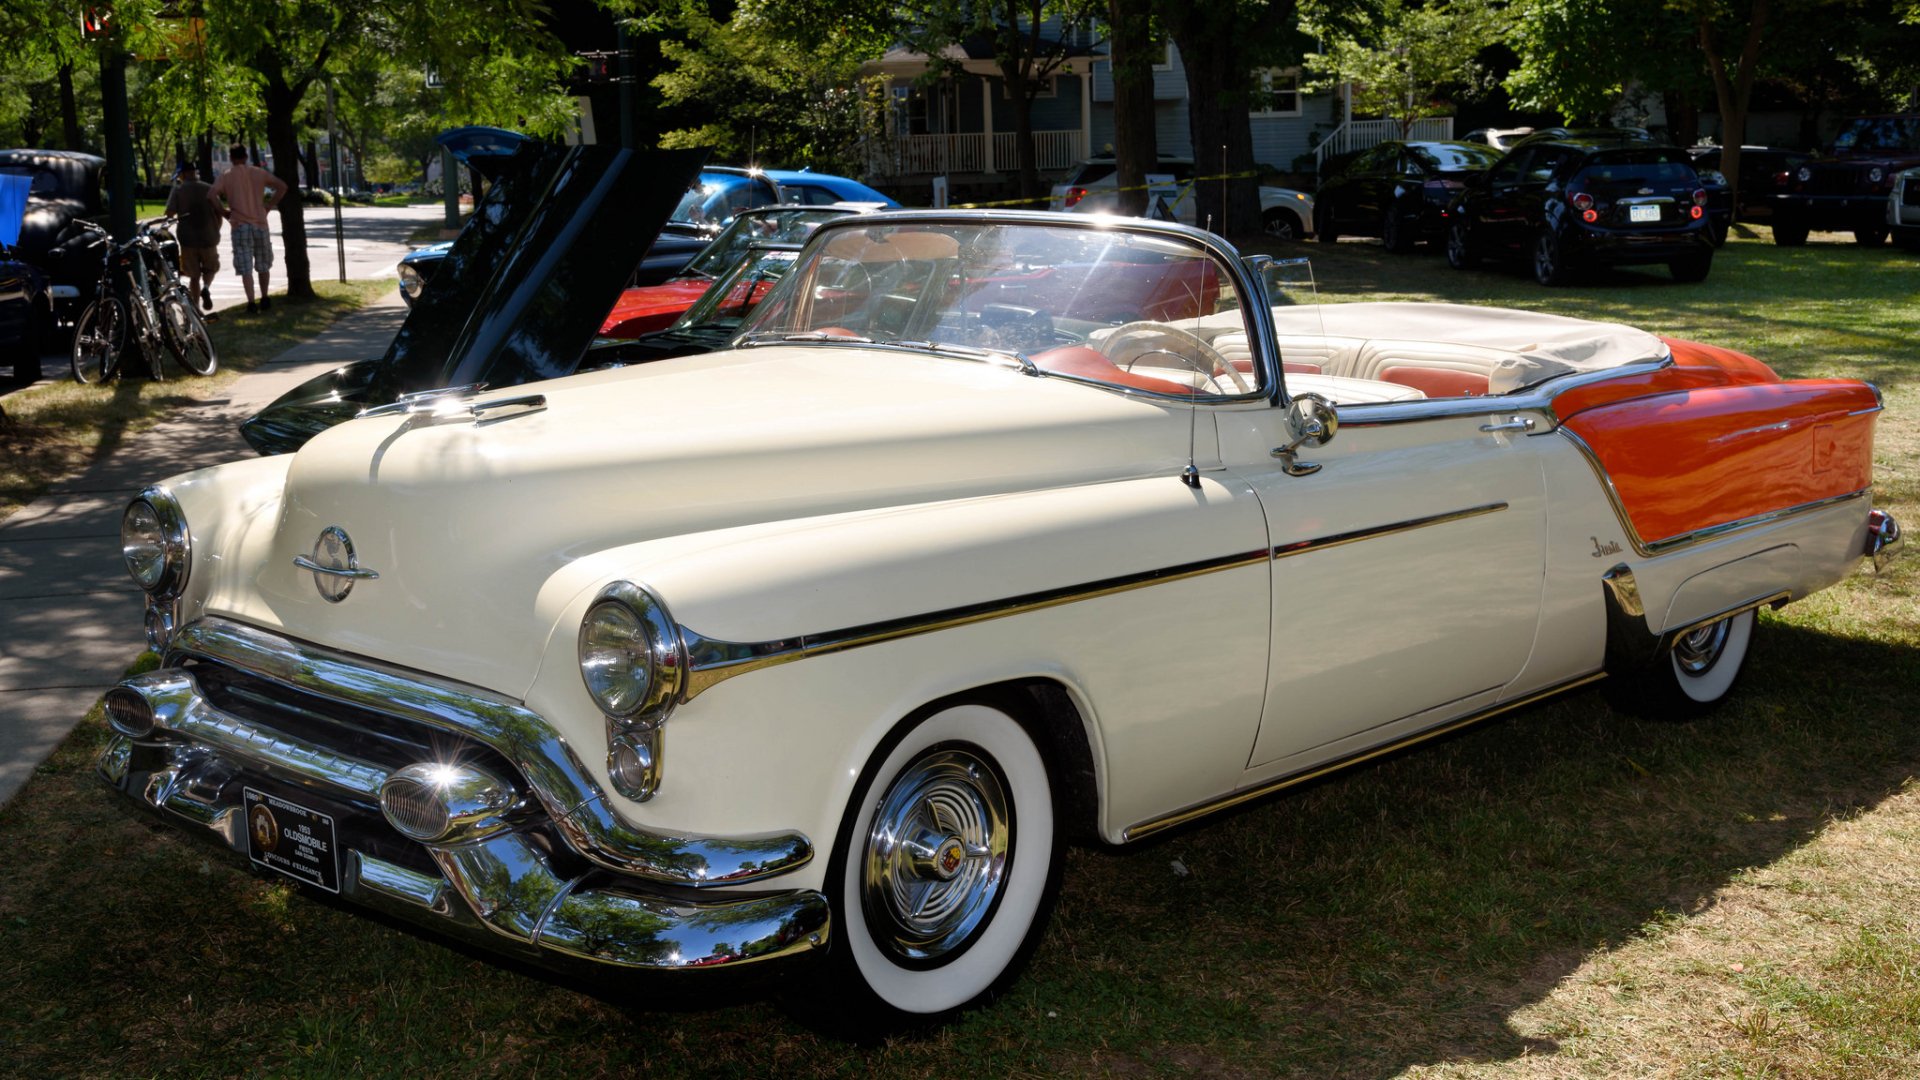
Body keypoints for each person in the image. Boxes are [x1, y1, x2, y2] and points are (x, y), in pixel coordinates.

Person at [206, 144, 289, 315]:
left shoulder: (226, 176)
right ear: (246, 156)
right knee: (263, 264)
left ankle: (251, 302)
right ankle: (265, 297)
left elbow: (211, 195)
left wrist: (224, 213)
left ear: (231, 158)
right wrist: (268, 206)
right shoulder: (259, 173)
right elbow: (282, 187)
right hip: (260, 223)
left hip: (239, 224)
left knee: (246, 267)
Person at [163, 162, 222, 319]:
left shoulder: (178, 190)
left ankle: (195, 309)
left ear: (182, 174)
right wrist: (216, 229)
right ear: (194, 172)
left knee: (194, 276)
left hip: (188, 239)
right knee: (211, 268)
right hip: (209, 236)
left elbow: (169, 213)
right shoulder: (208, 188)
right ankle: (207, 287)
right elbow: (219, 211)